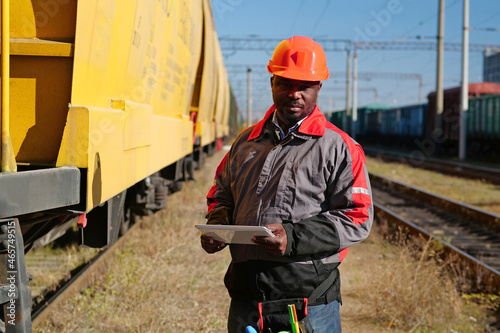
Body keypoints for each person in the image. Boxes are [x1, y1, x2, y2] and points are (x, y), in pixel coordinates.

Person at [200, 36, 373, 333]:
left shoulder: (340, 147)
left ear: (318, 88)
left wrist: (293, 237)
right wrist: (218, 223)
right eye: (285, 84)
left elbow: (357, 218)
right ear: (272, 83)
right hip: (246, 298)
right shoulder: (245, 143)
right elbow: (221, 193)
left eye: (304, 86)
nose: (294, 94)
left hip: (309, 303)